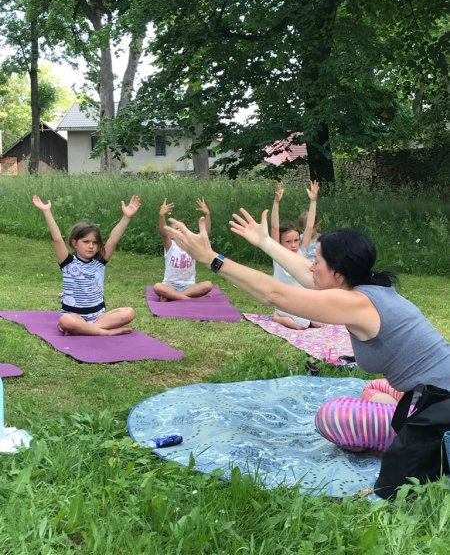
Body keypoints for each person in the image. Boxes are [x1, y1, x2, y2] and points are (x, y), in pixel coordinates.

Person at [163, 208, 450, 456]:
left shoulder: (357, 303)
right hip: (435, 390)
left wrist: (211, 258)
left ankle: (425, 438)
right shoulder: (364, 287)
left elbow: (274, 294)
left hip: (441, 408)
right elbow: (305, 273)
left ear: (338, 273)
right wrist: (265, 242)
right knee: (373, 389)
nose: (311, 265)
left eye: (317, 261)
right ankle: (400, 421)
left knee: (332, 416)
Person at [32, 194, 141, 336]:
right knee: (66, 321)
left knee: (129, 312)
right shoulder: (68, 262)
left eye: (95, 243)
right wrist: (46, 211)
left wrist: (126, 217)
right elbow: (57, 239)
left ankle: (87, 329)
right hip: (75, 317)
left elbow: (113, 240)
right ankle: (106, 333)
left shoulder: (99, 262)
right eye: (86, 242)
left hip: (98, 317)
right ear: (75, 243)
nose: (91, 246)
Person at [270, 180, 320, 329]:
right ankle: (277, 316)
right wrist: (276, 202)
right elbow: (274, 228)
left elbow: (309, 226)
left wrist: (313, 201)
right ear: (280, 243)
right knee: (302, 325)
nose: (293, 245)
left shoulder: (301, 251)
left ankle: (294, 316)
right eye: (288, 241)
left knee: (318, 323)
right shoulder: (278, 254)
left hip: (300, 301)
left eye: (296, 240)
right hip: (283, 300)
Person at [153, 198, 213, 301]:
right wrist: (161, 216)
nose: (179, 231)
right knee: (158, 287)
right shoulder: (170, 245)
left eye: (182, 228)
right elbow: (164, 233)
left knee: (208, 285)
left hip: (189, 286)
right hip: (170, 285)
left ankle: (174, 296)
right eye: (176, 229)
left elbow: (205, 234)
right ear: (171, 234)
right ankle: (187, 298)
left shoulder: (192, 245)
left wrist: (207, 214)